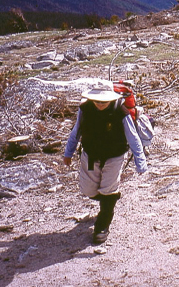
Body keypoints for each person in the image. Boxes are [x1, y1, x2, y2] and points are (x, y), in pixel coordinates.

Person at [63, 82, 148, 245]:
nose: (100, 104)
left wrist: (140, 162)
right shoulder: (85, 109)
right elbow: (76, 132)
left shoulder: (120, 112)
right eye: (97, 100)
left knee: (108, 190)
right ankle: (110, 198)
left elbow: (133, 138)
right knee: (88, 190)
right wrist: (68, 153)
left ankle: (102, 226)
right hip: (90, 156)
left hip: (114, 158)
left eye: (103, 101)